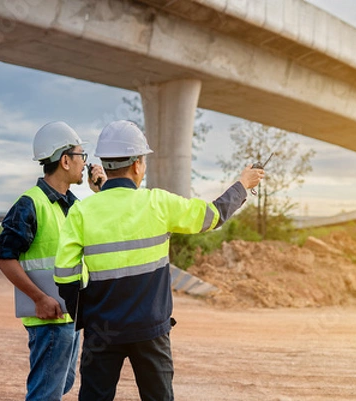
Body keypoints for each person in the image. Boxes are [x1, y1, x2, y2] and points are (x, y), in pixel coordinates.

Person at [53, 120, 264, 401]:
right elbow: (212, 215)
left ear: (105, 164)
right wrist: (242, 184)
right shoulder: (158, 203)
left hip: (101, 330)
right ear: (139, 164)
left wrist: (86, 317)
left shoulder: (82, 212)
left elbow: (64, 275)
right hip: (150, 328)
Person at [0, 121, 107, 401]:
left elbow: (108, 229)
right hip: (49, 318)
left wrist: (101, 192)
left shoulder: (75, 205)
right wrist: (38, 299)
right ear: (66, 160)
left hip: (71, 314)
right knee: (46, 394)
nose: (86, 164)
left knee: (61, 384)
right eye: (82, 156)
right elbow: (2, 255)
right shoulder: (30, 204)